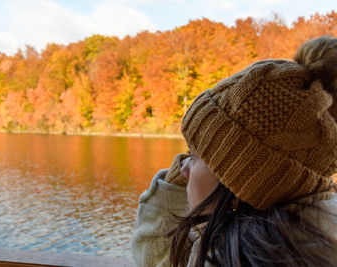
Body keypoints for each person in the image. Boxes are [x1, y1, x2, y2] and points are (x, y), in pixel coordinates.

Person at [131, 36, 337, 267]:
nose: (183, 167)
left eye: (197, 156)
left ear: (243, 182)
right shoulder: (282, 239)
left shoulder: (229, 257)